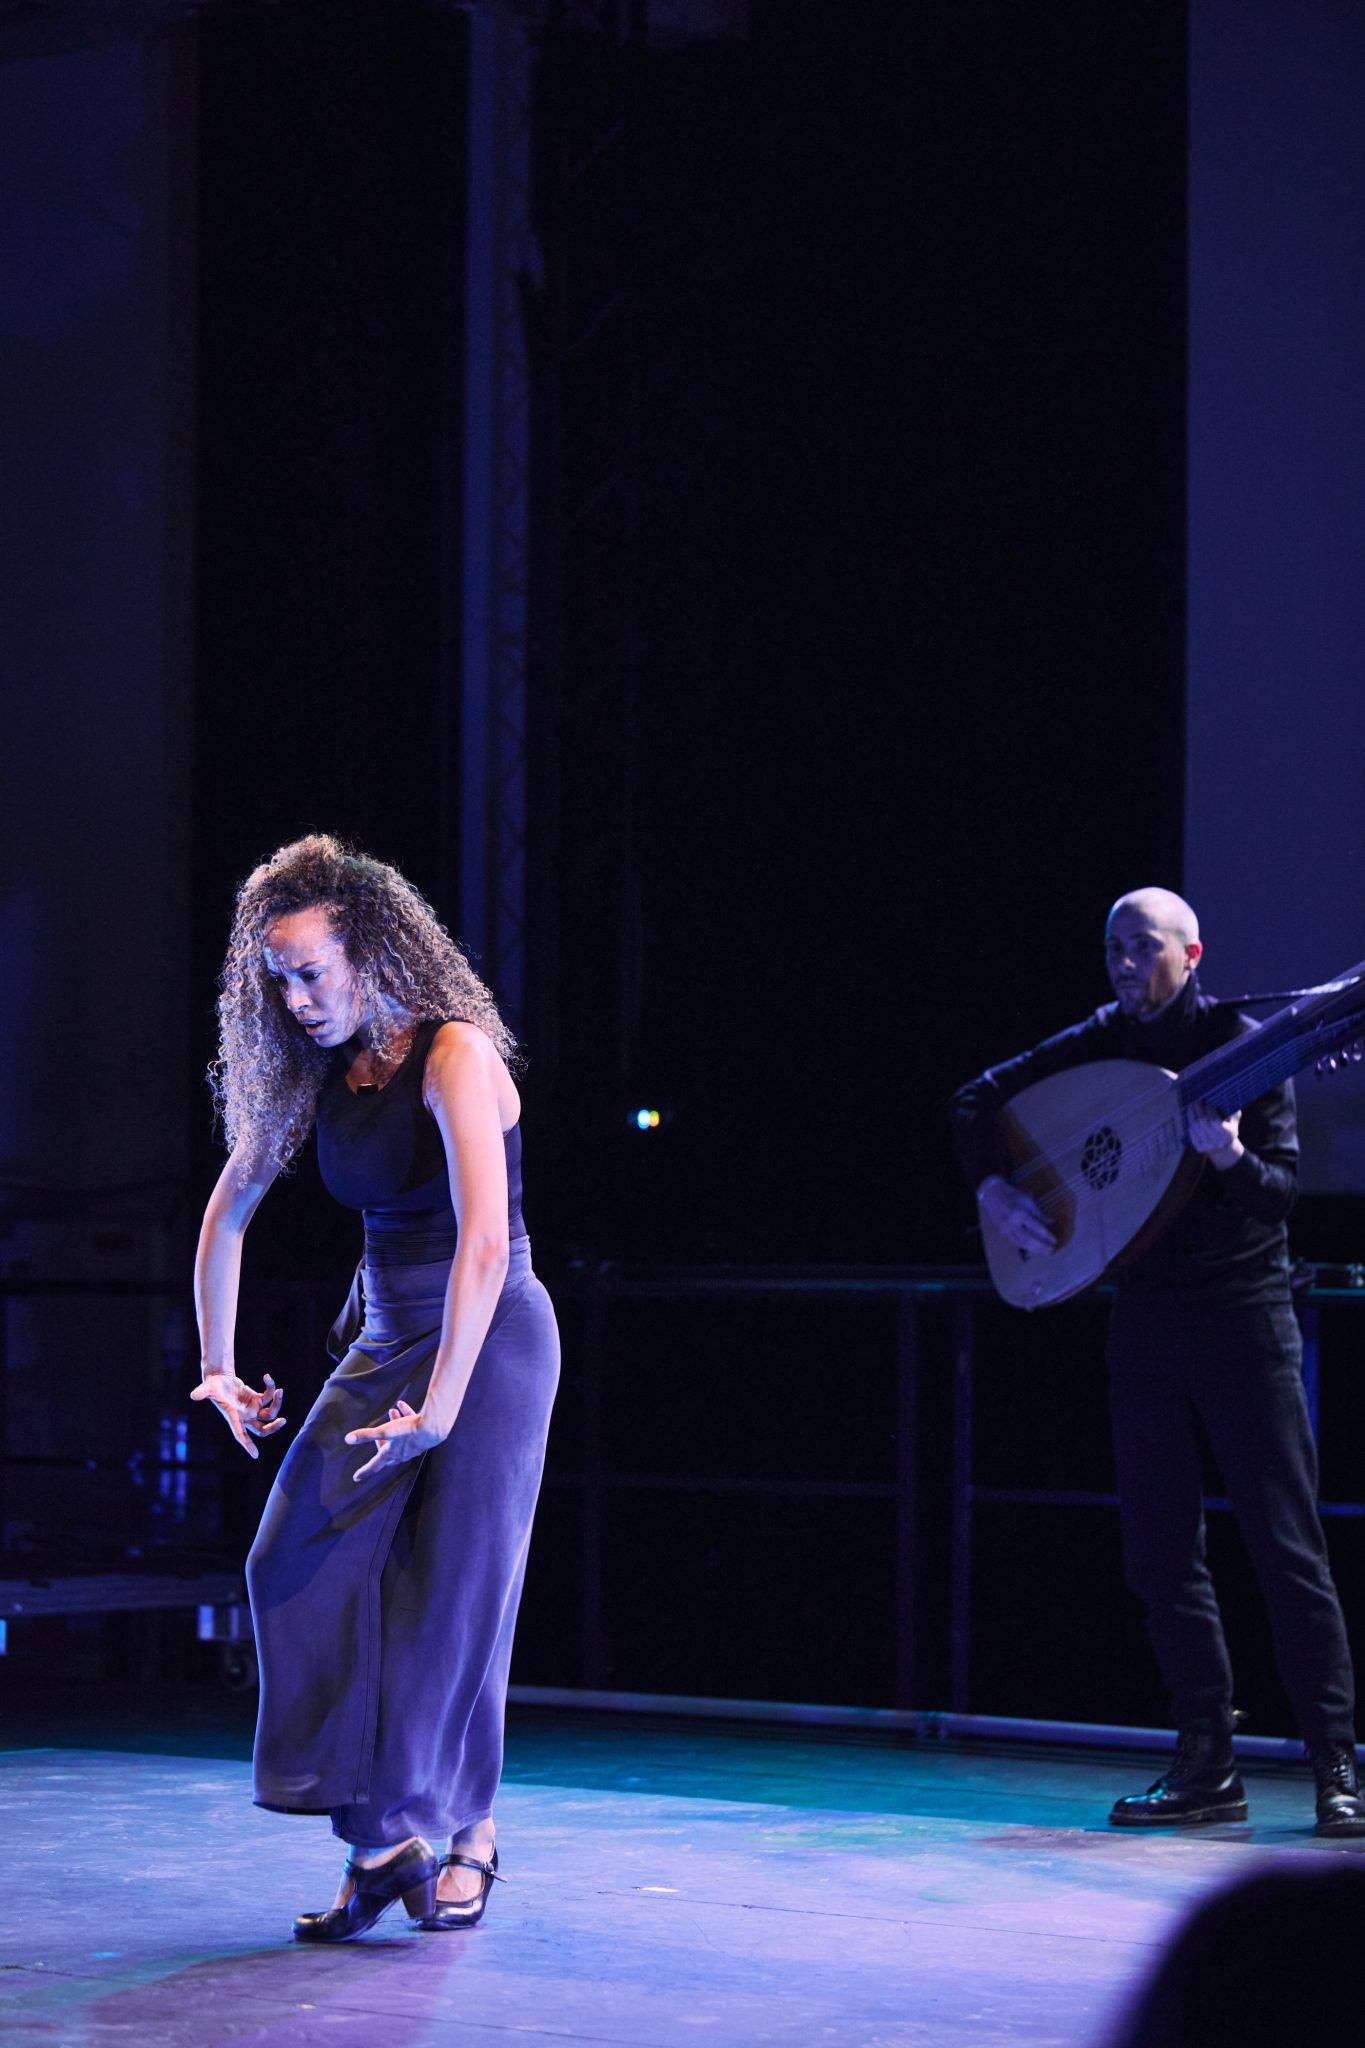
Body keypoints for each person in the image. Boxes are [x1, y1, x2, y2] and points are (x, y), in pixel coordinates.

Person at [192, 834, 561, 1938]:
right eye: (280, 978)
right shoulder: (318, 1069)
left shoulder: (454, 1055)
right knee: (291, 1553)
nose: (296, 998)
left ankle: (469, 1833)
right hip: (389, 1330)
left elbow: (488, 1245)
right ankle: (384, 1836)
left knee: (452, 1600)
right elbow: (227, 1210)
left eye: (313, 971)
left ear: (375, 950)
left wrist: (441, 1409)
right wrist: (216, 1365)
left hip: (485, 1342)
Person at [951, 887, 1363, 1834]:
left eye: (1142, 948)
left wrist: (1223, 1157)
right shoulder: (1104, 1039)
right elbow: (975, 1099)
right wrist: (992, 1191)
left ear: (1190, 953)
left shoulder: (1248, 1044)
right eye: (1112, 950)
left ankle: (1336, 1767)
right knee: (1160, 1553)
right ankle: (1204, 1765)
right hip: (1144, 1320)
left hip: (1246, 1319)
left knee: (1284, 1547)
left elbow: (1279, 1197)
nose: (1124, 966)